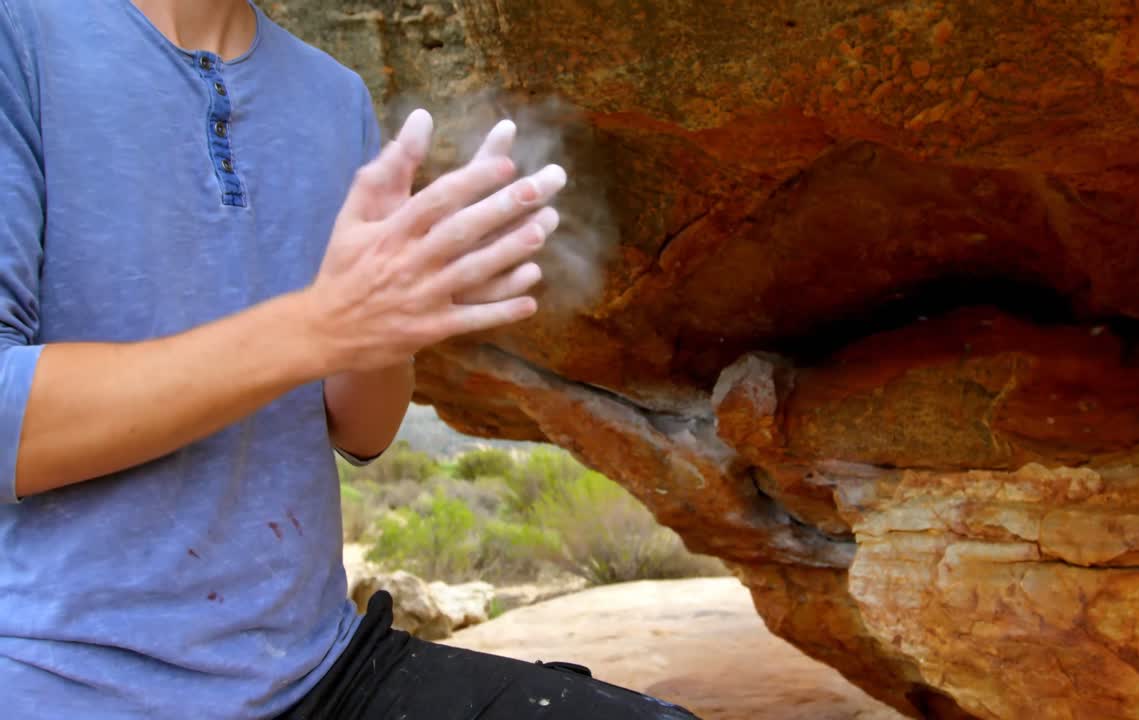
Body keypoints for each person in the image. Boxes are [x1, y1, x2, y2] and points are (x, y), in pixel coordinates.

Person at [0, 1, 700, 718]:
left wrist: (402, 316)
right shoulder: (21, 37)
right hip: (54, 679)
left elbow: (362, 431)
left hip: (318, 671)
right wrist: (317, 326)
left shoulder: (332, 97)